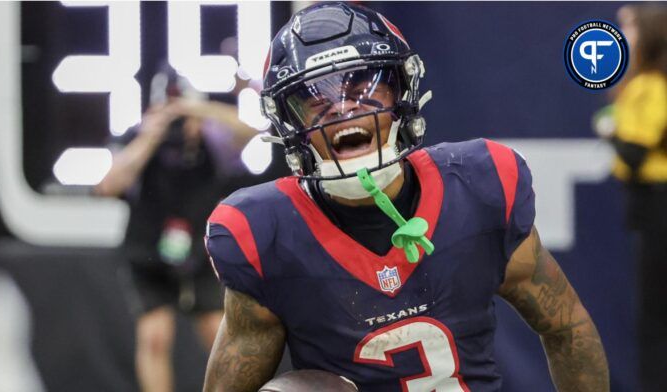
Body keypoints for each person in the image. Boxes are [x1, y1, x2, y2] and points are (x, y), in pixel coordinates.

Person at [203, 3, 609, 391]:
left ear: (402, 91)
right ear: (288, 122)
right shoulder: (265, 234)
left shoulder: (478, 188)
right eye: (314, 99)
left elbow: (566, 326)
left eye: (364, 85)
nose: (343, 110)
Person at [95, 65, 259, 392]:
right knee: (155, 335)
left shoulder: (213, 143)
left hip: (202, 253)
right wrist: (151, 135)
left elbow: (250, 130)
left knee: (219, 334)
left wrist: (198, 111)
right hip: (148, 252)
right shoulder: (135, 140)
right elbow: (108, 186)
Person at [594, 4, 667, 388]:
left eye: (631, 29)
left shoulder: (651, 86)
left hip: (658, 205)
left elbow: (635, 153)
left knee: (655, 319)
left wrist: (609, 129)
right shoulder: (644, 85)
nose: (624, 39)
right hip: (649, 205)